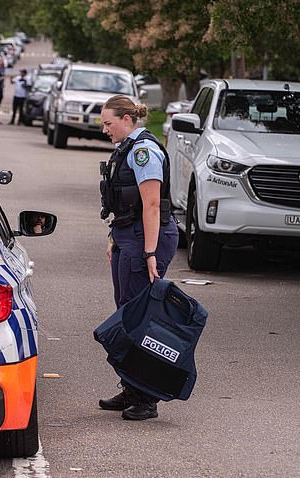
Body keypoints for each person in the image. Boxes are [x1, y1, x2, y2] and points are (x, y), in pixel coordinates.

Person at [98, 95, 179, 420]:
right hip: (126, 235)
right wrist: (113, 237)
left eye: (109, 123)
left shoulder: (144, 152)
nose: (105, 129)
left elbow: (152, 205)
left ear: (127, 120)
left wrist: (149, 252)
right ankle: (131, 388)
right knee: (126, 314)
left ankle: (147, 399)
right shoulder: (126, 149)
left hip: (145, 238)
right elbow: (124, 203)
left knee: (140, 317)